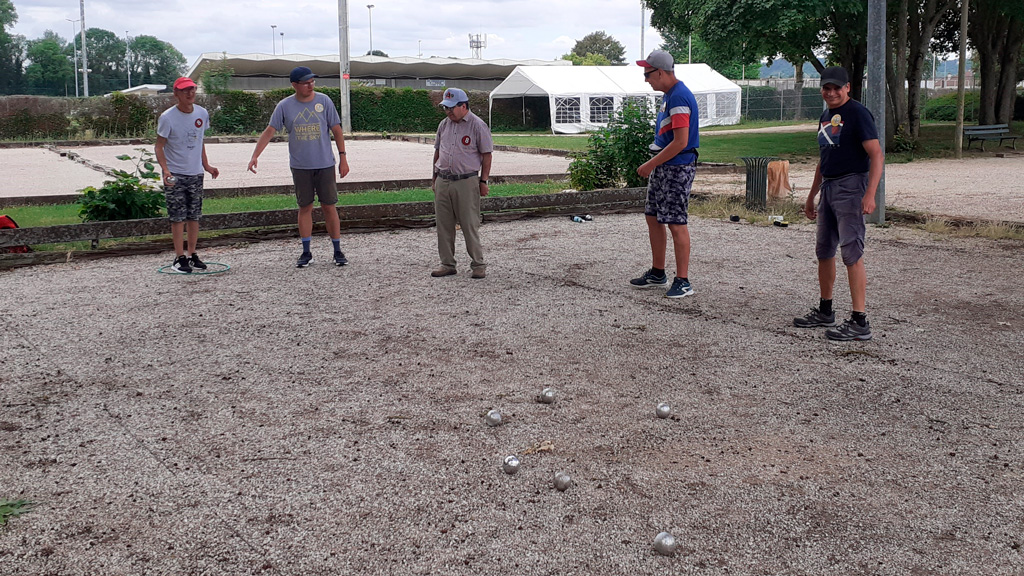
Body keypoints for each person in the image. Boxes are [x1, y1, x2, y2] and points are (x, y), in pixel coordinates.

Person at [793, 66, 884, 341]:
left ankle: (859, 321)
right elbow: (824, 158)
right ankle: (825, 309)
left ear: (847, 88)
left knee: (851, 252)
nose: (831, 92)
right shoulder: (826, 116)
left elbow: (877, 155)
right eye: (826, 88)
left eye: (836, 88)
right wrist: (812, 195)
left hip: (851, 186)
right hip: (829, 187)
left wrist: (870, 194)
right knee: (824, 250)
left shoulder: (858, 114)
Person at [248, 66, 350, 268]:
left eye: (312, 81)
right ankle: (306, 251)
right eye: (305, 82)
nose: (310, 85)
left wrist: (343, 157)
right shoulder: (285, 106)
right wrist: (255, 155)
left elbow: (336, 129)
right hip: (301, 166)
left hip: (325, 164)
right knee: (305, 207)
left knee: (329, 206)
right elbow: (270, 130)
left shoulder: (324, 101)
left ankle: (337, 250)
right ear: (294, 85)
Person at [629, 50, 700, 298]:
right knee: (653, 216)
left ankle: (683, 280)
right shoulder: (669, 96)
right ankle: (658, 272)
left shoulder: (679, 97)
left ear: (661, 72)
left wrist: (651, 164)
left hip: (677, 167)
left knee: (676, 222)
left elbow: (681, 141)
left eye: (648, 74)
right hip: (665, 165)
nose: (646, 79)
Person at [155, 77, 219, 273]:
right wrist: (166, 170)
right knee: (177, 217)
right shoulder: (167, 117)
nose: (190, 93)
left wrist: (206, 165)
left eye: (192, 89)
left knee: (194, 216)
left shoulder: (202, 113)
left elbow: (200, 141)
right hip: (176, 173)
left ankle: (192, 254)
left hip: (195, 173)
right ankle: (179, 257)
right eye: (185, 91)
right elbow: (159, 147)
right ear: (176, 94)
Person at [430, 87, 493, 279]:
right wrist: (434, 178)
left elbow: (487, 155)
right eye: (445, 108)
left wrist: (483, 181)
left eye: (451, 108)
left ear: (463, 106)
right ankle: (447, 263)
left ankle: (478, 264)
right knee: (443, 225)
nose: (448, 112)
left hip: (466, 180)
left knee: (469, 224)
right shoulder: (444, 125)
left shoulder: (477, 125)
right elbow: (438, 151)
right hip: (443, 179)